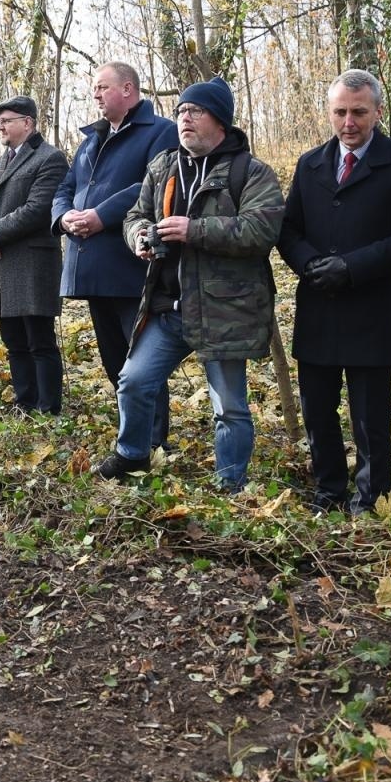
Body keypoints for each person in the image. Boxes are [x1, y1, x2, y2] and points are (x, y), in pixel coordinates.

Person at [99, 76, 283, 487]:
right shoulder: (163, 166)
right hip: (169, 307)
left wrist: (194, 230)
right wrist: (141, 238)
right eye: (181, 111)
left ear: (220, 120)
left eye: (194, 111)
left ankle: (231, 484)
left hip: (224, 309)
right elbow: (134, 216)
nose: (184, 118)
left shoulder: (250, 172)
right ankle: (132, 455)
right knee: (133, 381)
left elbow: (261, 230)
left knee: (230, 407)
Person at [277, 70, 391, 513]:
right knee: (318, 410)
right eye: (340, 112)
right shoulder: (310, 164)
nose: (349, 122)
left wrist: (352, 267)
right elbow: (288, 229)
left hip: (371, 306)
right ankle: (328, 490)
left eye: (359, 112)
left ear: (378, 112)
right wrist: (309, 265)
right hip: (318, 305)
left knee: (369, 416)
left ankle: (370, 496)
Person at [53, 62, 178, 436]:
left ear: (128, 89)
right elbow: (64, 188)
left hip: (131, 265)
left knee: (140, 360)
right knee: (113, 360)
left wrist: (100, 216)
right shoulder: (90, 139)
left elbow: (150, 183)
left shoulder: (162, 132)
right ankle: (131, 430)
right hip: (91, 266)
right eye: (94, 88)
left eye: (102, 87)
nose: (95, 94)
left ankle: (154, 440)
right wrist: (64, 219)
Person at [0, 95, 70, 413]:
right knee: (14, 342)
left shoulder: (50, 158)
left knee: (39, 341)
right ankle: (24, 402)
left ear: (27, 122)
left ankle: (48, 409)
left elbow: (37, 210)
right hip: (0, 264)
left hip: (32, 265)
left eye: (6, 120)